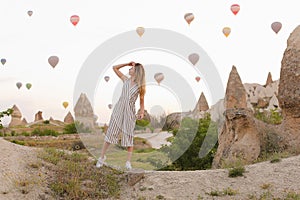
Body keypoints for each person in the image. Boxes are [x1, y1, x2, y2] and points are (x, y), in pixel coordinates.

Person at [96, 61, 146, 170]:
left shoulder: (140, 87)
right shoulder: (125, 80)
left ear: (136, 71)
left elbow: (141, 101)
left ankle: (128, 162)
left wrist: (141, 112)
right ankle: (101, 157)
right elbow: (115, 68)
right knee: (111, 132)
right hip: (119, 109)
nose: (129, 70)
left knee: (129, 135)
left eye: (131, 68)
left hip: (130, 112)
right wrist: (127, 63)